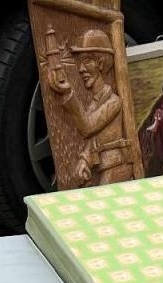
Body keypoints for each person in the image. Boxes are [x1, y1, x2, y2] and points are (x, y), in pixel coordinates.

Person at [43, 28, 135, 185]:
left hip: (117, 167)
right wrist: (84, 161)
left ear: (100, 63)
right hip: (104, 168)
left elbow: (88, 127)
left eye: (86, 61)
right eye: (79, 63)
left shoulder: (114, 102)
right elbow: (96, 139)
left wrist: (68, 93)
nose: (81, 69)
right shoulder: (94, 104)